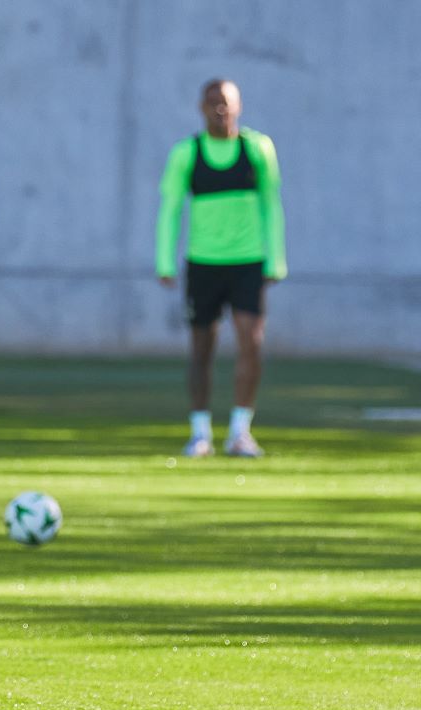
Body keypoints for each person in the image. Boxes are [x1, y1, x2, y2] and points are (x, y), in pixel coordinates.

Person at [156, 78, 287, 458]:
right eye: (212, 102)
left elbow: (271, 203)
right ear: (201, 108)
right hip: (203, 264)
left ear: (239, 106)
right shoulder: (187, 153)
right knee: (201, 349)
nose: (220, 109)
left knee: (252, 343)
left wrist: (275, 258)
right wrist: (165, 261)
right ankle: (200, 433)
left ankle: (240, 432)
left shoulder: (258, 149)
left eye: (226, 102)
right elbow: (170, 208)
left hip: (247, 263)